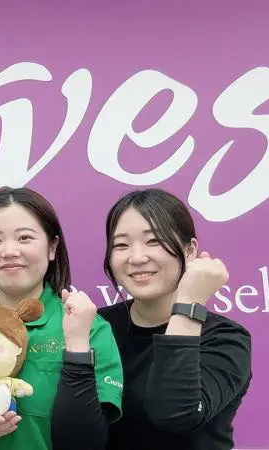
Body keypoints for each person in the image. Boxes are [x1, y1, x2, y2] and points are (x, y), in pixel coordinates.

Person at [0, 187, 124, 450]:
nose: (9, 251)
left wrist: (77, 347)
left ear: (52, 247)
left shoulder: (89, 328)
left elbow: (87, 442)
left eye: (25, 237)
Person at [97, 188, 252, 450]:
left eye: (154, 241)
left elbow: (175, 415)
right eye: (121, 245)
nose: (137, 257)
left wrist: (189, 304)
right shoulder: (97, 328)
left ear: (190, 250)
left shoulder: (226, 339)